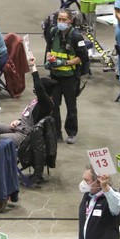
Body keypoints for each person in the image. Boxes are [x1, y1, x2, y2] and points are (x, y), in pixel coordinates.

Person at [0, 56, 53, 153]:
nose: (34, 90)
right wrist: (18, 121)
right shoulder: (36, 101)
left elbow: (39, 88)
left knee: (0, 138)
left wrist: (33, 67)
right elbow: (28, 115)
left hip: (26, 135)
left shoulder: (46, 104)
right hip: (20, 126)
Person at [44, 8, 89, 144]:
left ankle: (71, 133)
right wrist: (49, 60)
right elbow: (48, 49)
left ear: (70, 21)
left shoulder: (76, 37)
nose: (61, 22)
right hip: (55, 76)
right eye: (59, 19)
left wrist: (65, 62)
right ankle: (56, 133)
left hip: (70, 77)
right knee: (54, 105)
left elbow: (82, 57)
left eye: (64, 20)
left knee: (71, 106)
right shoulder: (53, 33)